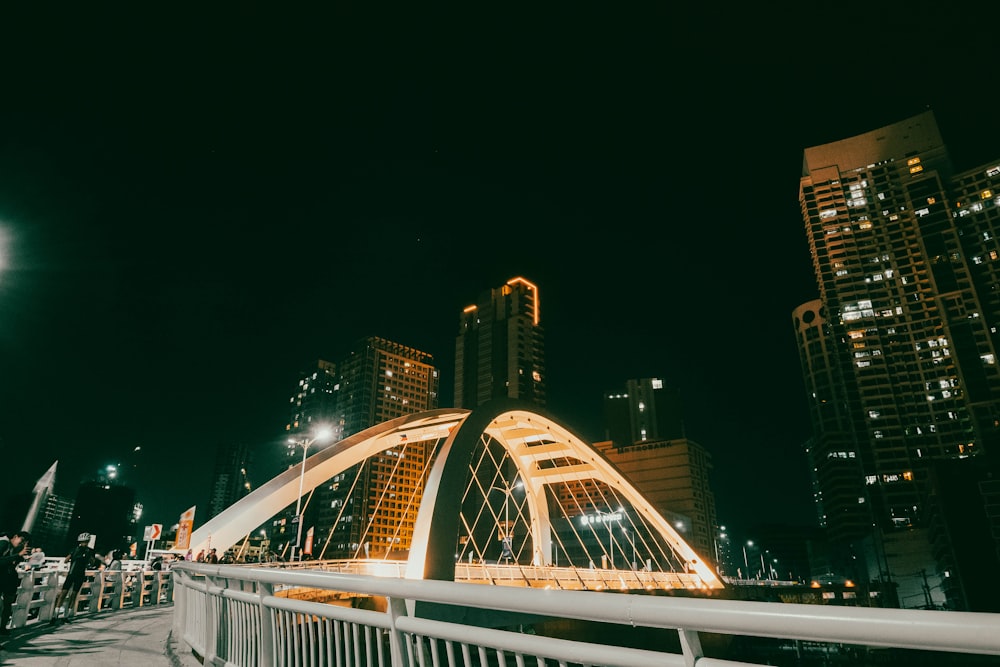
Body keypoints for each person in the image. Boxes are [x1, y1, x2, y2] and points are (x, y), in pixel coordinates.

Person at [53, 533, 104, 621]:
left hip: (80, 575)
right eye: (82, 542)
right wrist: (73, 555)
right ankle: (55, 615)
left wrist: (89, 557)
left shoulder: (90, 551)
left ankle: (66, 616)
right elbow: (66, 560)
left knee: (74, 595)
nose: (83, 543)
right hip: (71, 574)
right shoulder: (74, 549)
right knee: (63, 594)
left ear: (88, 542)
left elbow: (91, 563)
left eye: (85, 542)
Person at [0, 531, 30, 635]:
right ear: (15, 536)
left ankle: (2, 628)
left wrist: (21, 557)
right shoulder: (4, 543)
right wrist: (18, 555)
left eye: (24, 543)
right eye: (22, 541)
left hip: (8, 580)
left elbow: (11, 563)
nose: (22, 544)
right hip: (2, 579)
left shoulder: (14, 548)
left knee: (7, 605)